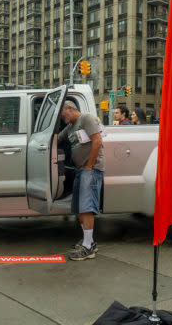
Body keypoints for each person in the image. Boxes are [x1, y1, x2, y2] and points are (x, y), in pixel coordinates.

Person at [58, 100, 105, 261]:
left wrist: (89, 166)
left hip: (90, 169)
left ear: (69, 109)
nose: (62, 117)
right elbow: (57, 138)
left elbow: (97, 141)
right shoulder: (70, 127)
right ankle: (89, 242)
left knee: (86, 207)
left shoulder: (86, 118)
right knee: (79, 208)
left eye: (63, 114)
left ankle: (87, 248)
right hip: (81, 170)